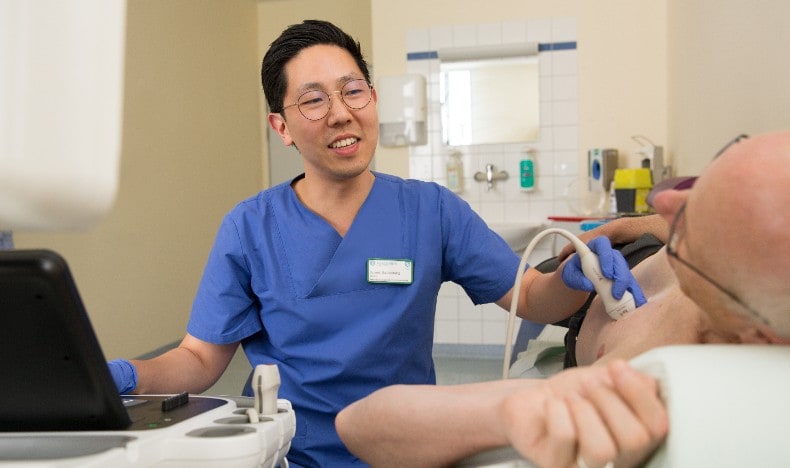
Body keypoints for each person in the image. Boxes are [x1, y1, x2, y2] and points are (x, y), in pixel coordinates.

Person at [106, 19, 645, 466]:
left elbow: (529, 296)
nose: (342, 112)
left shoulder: (431, 210)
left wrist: (576, 278)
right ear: (282, 126)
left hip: (408, 449)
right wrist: (127, 377)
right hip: (293, 455)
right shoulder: (249, 228)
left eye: (352, 90)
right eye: (313, 100)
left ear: (373, 97)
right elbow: (199, 359)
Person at [336, 130, 790, 467]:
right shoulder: (744, 255)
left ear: (754, 333)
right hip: (612, 263)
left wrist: (510, 410)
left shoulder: (654, 368)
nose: (667, 203)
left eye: (691, 224)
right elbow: (655, 224)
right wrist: (599, 238)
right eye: (697, 186)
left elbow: (360, 425)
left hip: (578, 317)